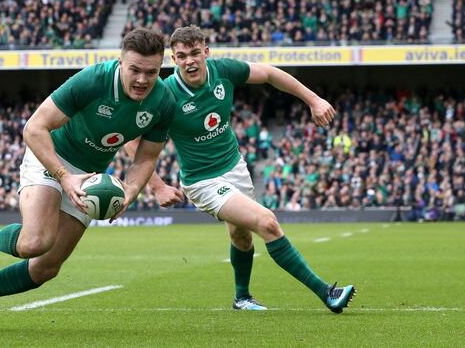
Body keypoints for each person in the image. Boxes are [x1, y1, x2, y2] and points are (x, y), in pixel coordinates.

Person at [0, 28, 175, 331]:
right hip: (51, 157)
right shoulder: (92, 81)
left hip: (89, 176)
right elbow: (34, 128)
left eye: (151, 72)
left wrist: (129, 191)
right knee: (36, 242)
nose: (142, 80)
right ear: (120, 63)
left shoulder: (163, 102)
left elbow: (146, 157)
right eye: (135, 70)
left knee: (46, 268)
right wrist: (64, 177)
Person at [125, 25, 355, 313]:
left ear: (206, 52)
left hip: (235, 167)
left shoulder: (224, 71)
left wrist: (314, 100)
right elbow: (131, 139)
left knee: (241, 237)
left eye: (195, 53)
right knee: (267, 222)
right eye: (181, 56)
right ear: (173, 59)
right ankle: (327, 292)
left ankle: (242, 298)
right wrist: (157, 186)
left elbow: (269, 73)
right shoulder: (164, 94)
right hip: (202, 181)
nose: (189, 61)